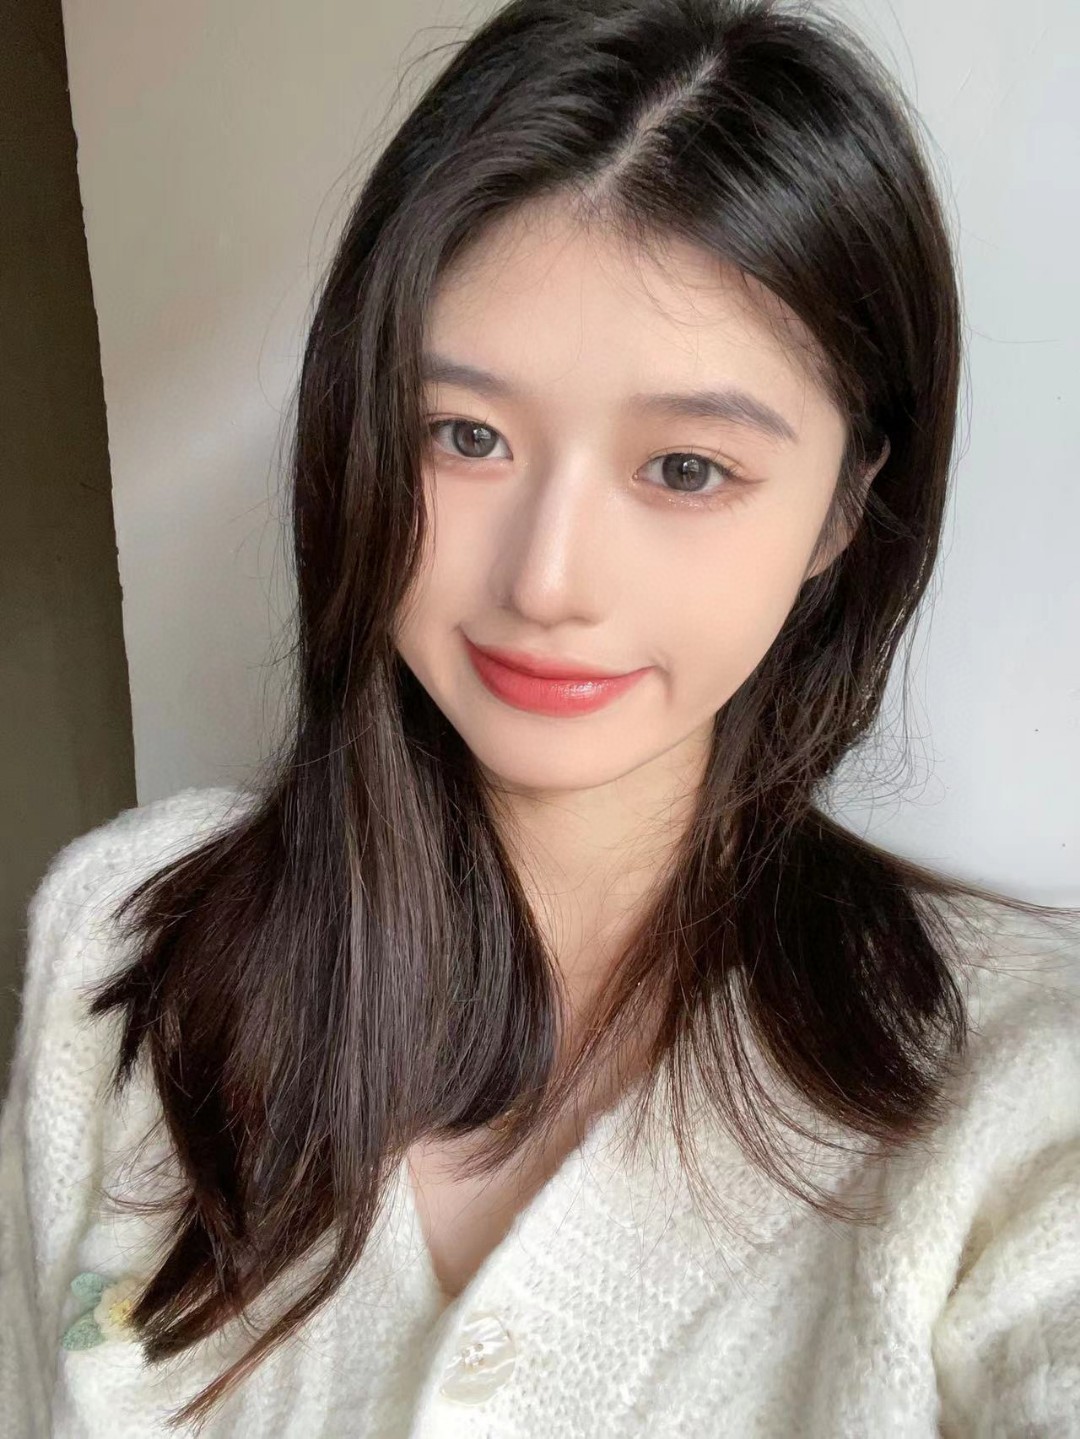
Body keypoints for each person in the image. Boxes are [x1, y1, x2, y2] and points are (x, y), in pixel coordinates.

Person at [2, 0, 1079, 1433]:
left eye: (687, 468)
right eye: (468, 437)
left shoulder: (1023, 1096)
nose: (547, 582)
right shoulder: (126, 946)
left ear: (843, 507)